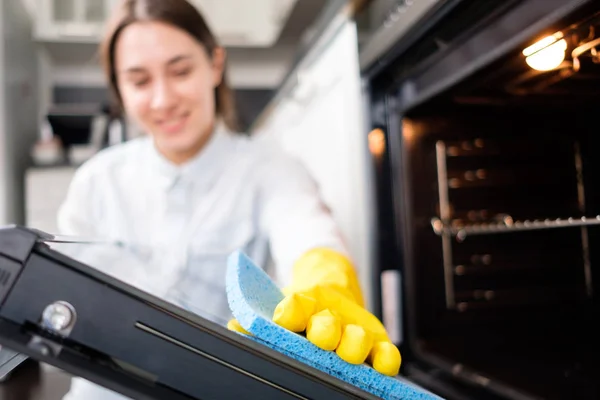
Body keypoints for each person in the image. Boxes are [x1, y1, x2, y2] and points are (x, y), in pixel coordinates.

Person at [58, 1, 400, 399]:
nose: (163, 99)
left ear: (215, 65)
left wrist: (329, 284)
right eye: (139, 81)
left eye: (181, 71)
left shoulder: (269, 168)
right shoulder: (96, 182)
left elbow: (309, 235)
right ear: (119, 89)